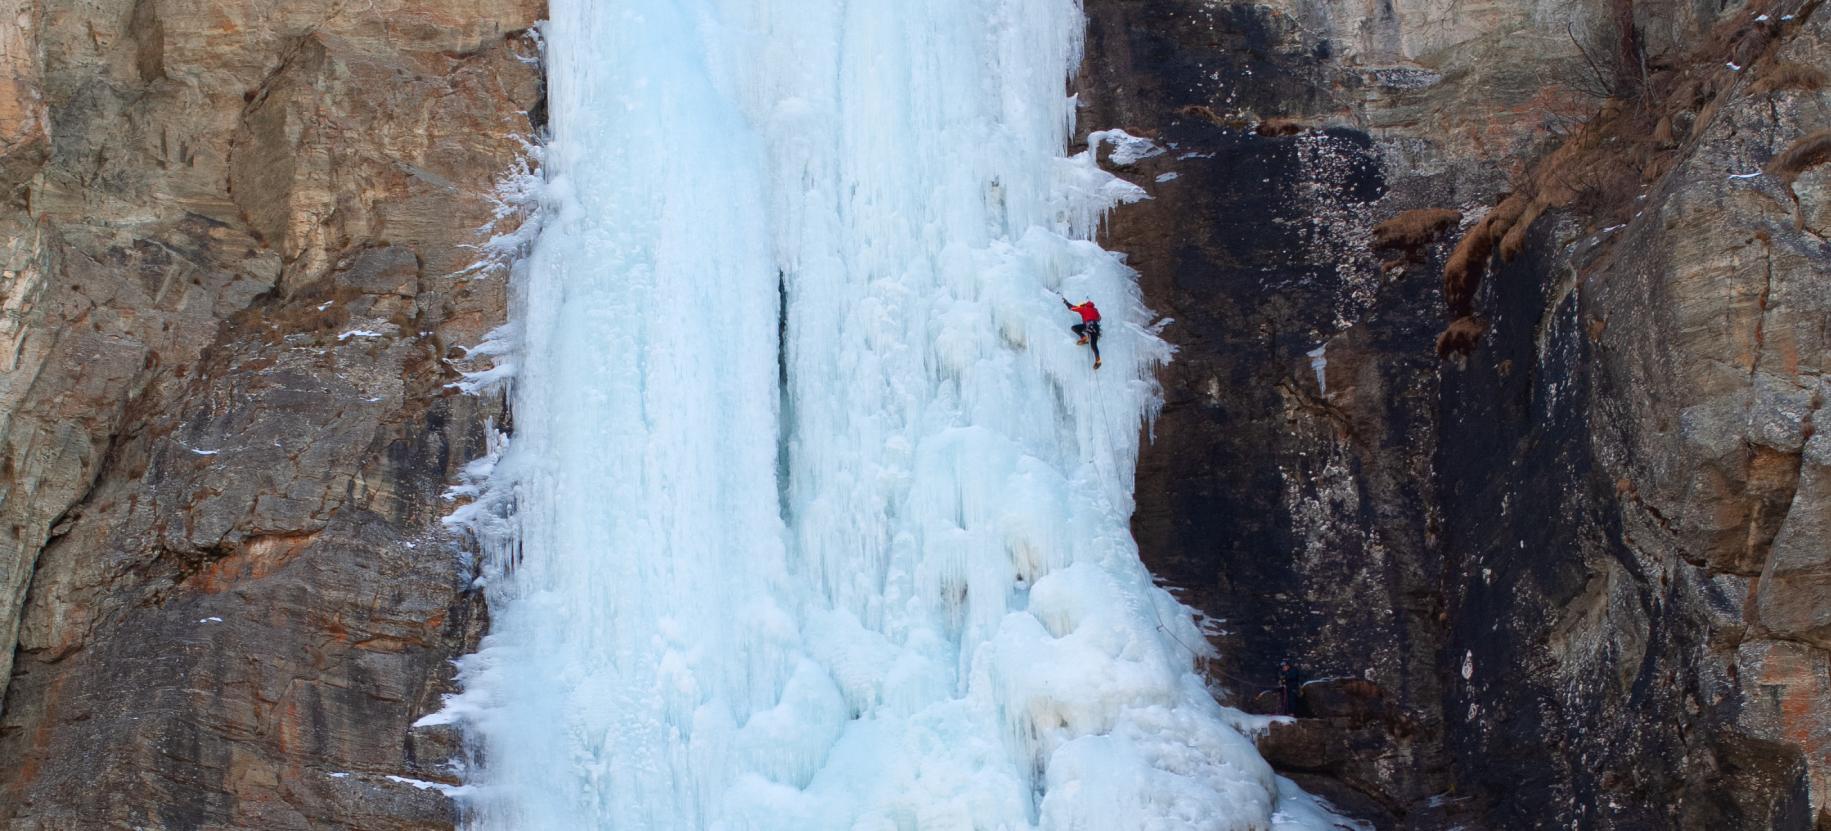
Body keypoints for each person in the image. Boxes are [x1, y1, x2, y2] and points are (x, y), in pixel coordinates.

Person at [1062, 296, 1102, 369]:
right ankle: (1098, 361)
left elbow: (1072, 308)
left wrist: (1065, 302)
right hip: (1096, 328)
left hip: (1088, 325)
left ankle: (1084, 337)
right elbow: (1099, 318)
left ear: (1083, 305)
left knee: (1074, 328)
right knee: (1093, 345)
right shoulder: (1095, 310)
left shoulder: (1083, 308)